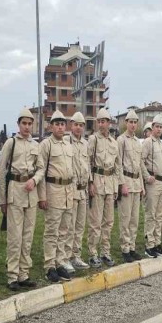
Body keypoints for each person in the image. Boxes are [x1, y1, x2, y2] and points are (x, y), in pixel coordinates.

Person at [0, 108, 43, 290]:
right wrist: (3, 199)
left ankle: (24, 273)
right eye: (24, 123)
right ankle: (12, 275)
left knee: (27, 236)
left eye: (29, 123)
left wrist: (35, 180)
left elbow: (41, 168)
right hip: (15, 192)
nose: (27, 127)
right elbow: (1, 171)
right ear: (18, 124)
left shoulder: (36, 145)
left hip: (30, 193)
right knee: (15, 237)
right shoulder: (11, 143)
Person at [38, 111, 75, 282]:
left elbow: (72, 171)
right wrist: (42, 197)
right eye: (57, 124)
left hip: (68, 191)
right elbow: (41, 171)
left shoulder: (68, 145)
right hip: (53, 191)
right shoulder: (46, 145)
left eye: (62, 124)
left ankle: (60, 262)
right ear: (51, 126)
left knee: (64, 230)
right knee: (52, 231)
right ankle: (49, 266)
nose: (60, 127)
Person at [87, 108, 119, 268]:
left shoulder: (114, 142)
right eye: (99, 121)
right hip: (97, 182)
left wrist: (116, 187)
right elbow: (88, 163)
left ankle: (105, 252)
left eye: (104, 121)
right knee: (95, 221)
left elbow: (117, 166)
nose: (101, 124)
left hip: (110, 183)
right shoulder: (93, 139)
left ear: (109, 123)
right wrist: (90, 182)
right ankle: (93, 253)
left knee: (109, 221)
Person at [142, 114, 162, 257]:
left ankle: (157, 243)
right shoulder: (148, 142)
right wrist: (147, 176)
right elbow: (140, 161)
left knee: (160, 216)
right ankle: (149, 246)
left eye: (161, 127)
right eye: (157, 127)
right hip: (152, 184)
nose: (159, 129)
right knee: (151, 215)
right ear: (152, 127)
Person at [63, 112, 92, 269]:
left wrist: (90, 183)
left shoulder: (86, 144)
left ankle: (76, 256)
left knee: (80, 226)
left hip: (83, 189)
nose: (78, 128)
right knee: (70, 225)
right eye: (76, 124)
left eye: (81, 125)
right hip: (71, 189)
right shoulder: (66, 142)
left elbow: (87, 165)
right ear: (71, 125)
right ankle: (66, 257)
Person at [117, 110, 144, 262]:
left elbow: (139, 165)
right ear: (125, 123)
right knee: (125, 218)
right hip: (126, 181)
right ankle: (125, 248)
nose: (133, 125)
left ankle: (132, 246)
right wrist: (122, 184)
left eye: (135, 122)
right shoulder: (121, 140)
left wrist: (141, 185)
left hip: (136, 183)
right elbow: (118, 164)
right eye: (130, 122)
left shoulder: (137, 142)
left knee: (134, 219)